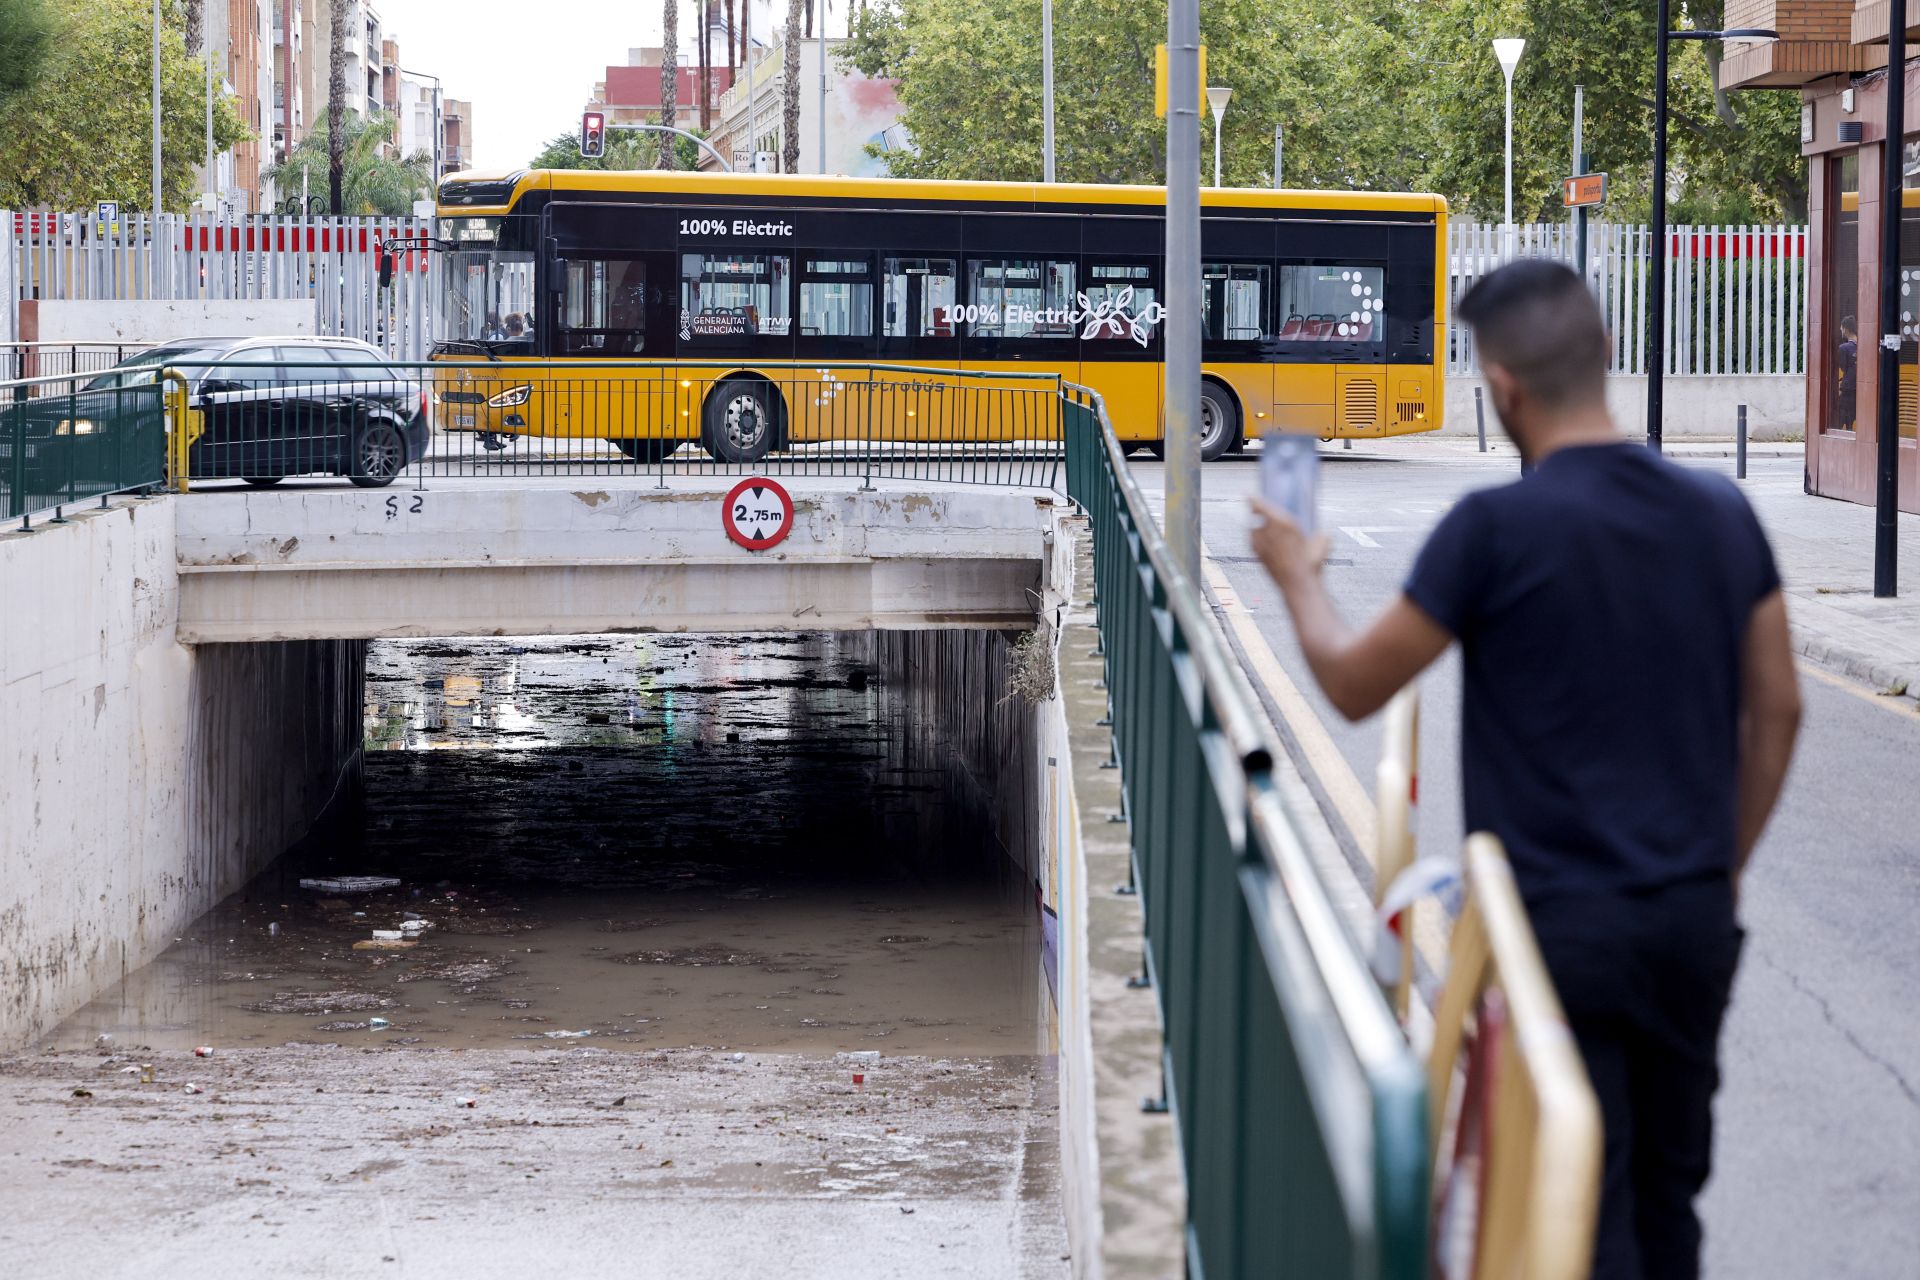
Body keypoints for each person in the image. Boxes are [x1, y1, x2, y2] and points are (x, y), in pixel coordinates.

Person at [1248, 259, 1801, 1280]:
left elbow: (1355, 682)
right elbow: (1780, 707)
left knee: (1573, 1212)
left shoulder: (1493, 529)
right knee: (1667, 1200)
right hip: (1689, 922)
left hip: (1555, 936)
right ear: (1606, 355)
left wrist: (1297, 576)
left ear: (1501, 386)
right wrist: (1722, 863)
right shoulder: (1722, 512)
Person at [1836, 314, 1858, 431]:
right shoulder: (1863, 346)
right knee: (1853, 417)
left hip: (1847, 388)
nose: (1840, 329)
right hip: (1859, 389)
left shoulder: (1843, 348)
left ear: (1845, 328)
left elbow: (1843, 368)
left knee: (1842, 418)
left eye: (1841, 327)